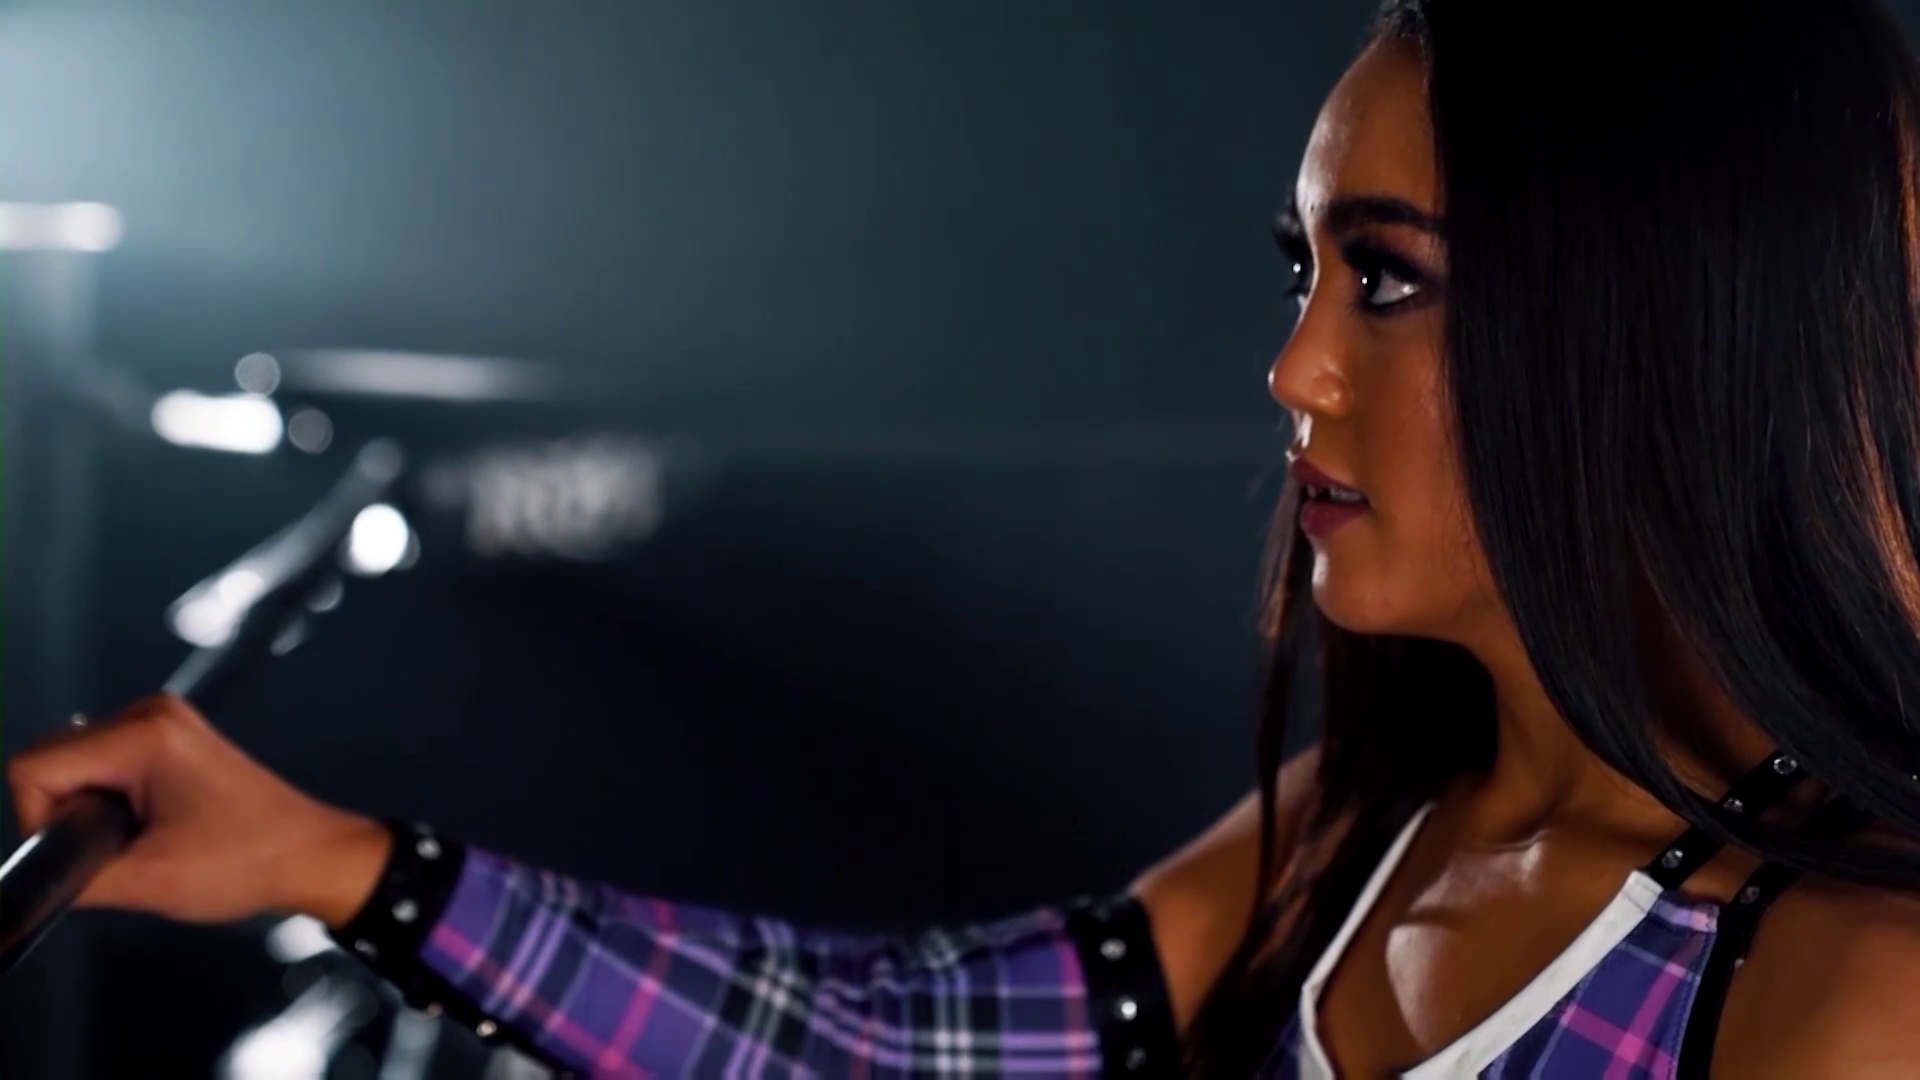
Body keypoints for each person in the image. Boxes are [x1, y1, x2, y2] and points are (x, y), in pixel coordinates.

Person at [14, 0, 1920, 1075]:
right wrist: (330, 860)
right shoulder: (1375, 825)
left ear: (1648, 334)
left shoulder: (1844, 989)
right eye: (1306, 270)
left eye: (1393, 281)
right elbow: (899, 1048)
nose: (1294, 370)